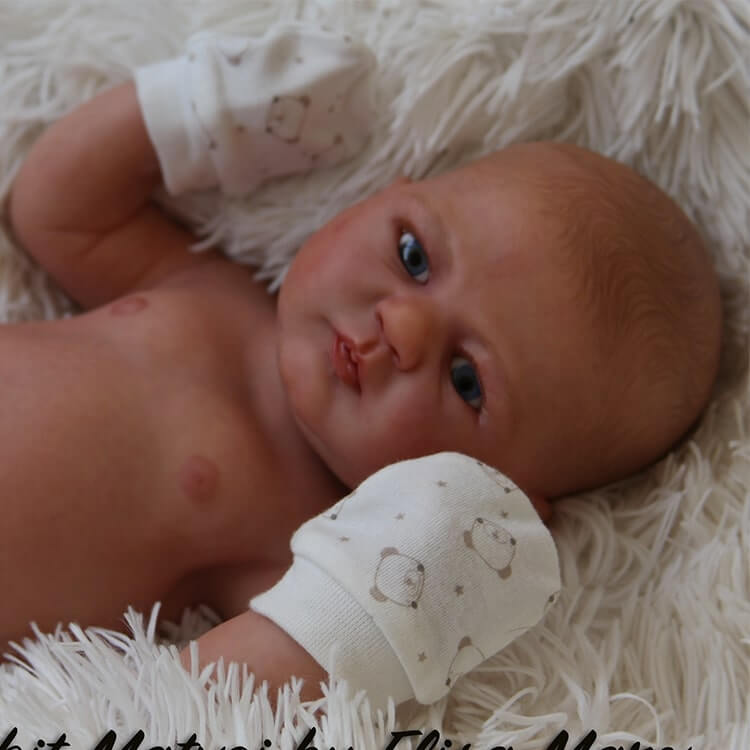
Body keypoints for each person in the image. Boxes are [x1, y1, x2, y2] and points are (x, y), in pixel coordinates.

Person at [1, 24, 721, 711]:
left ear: (494, 489)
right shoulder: (207, 288)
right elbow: (53, 213)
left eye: (466, 380)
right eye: (414, 256)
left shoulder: (300, 538)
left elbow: (219, 687)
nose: (400, 327)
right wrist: (204, 107)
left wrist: (429, 565)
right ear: (384, 192)